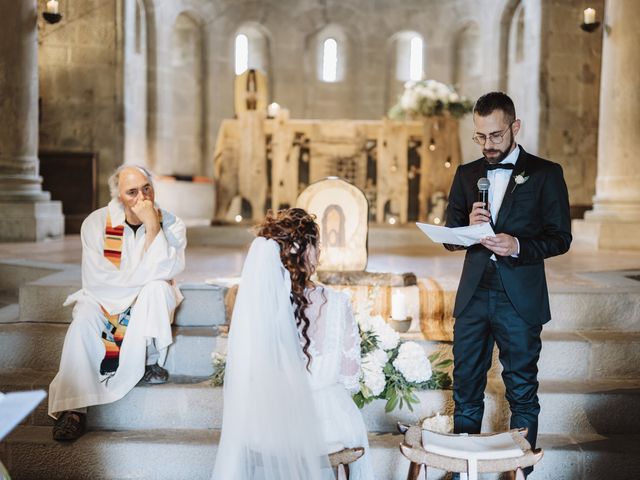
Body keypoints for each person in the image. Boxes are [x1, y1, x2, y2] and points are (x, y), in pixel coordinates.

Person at [444, 92, 571, 475]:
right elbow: (450, 236)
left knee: (521, 390)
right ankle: (465, 469)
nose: (488, 146)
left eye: (496, 136)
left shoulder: (546, 173)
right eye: (480, 137)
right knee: (465, 386)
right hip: (473, 296)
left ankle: (518, 473)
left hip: (519, 298)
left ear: (515, 127)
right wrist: (468, 225)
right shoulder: (467, 174)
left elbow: (560, 237)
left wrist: (517, 245)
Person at [212, 208, 373, 480]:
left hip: (268, 426)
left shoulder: (256, 307)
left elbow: (248, 376)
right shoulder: (337, 303)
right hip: (328, 426)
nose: (320, 252)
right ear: (305, 251)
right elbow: (349, 379)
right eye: (316, 245)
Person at [48, 165, 186, 441]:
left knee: (158, 289)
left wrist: (152, 226)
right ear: (119, 196)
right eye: (132, 192)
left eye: (147, 188)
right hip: (102, 299)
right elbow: (99, 279)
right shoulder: (97, 223)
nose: (143, 197)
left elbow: (168, 270)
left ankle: (150, 361)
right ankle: (74, 411)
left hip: (147, 298)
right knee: (83, 324)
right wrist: (144, 277)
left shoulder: (171, 223)